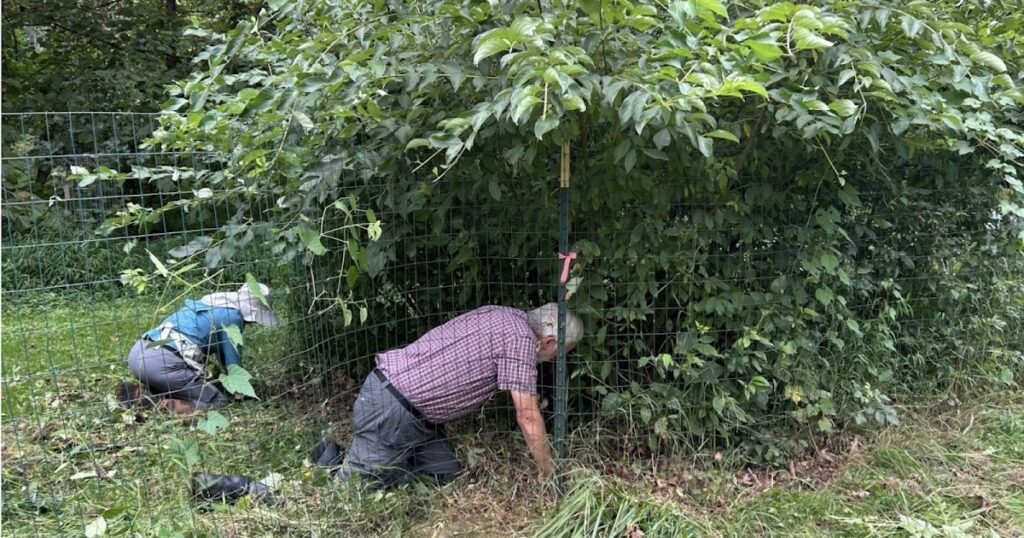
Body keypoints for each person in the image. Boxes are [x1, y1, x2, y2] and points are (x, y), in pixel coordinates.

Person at [312, 303, 583, 487]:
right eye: (560, 353)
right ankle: (329, 458)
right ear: (548, 341)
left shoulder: (504, 314)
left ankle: (380, 458)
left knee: (442, 475)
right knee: (351, 489)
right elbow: (527, 416)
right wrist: (550, 472)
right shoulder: (521, 340)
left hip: (412, 412)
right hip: (393, 407)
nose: (555, 359)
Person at [115, 282, 280, 415]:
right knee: (218, 401)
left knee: (182, 384)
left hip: (139, 352)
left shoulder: (212, 303)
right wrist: (240, 393)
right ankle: (158, 402)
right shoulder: (233, 317)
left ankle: (144, 392)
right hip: (162, 364)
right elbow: (232, 361)